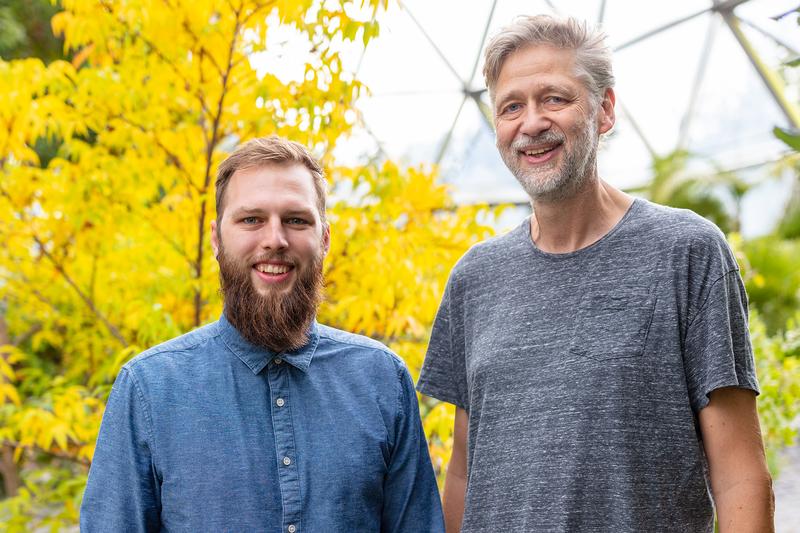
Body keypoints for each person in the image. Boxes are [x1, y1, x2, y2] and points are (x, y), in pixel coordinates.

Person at [417, 14, 774, 533]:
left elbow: (740, 474)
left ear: (604, 110)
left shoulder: (687, 253)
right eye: (511, 106)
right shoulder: (475, 278)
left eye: (555, 99)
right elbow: (465, 477)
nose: (531, 123)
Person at [81, 136, 445, 532]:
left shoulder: (381, 379)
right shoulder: (148, 389)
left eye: (296, 220)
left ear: (324, 239)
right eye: (251, 219)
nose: (275, 238)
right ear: (217, 239)